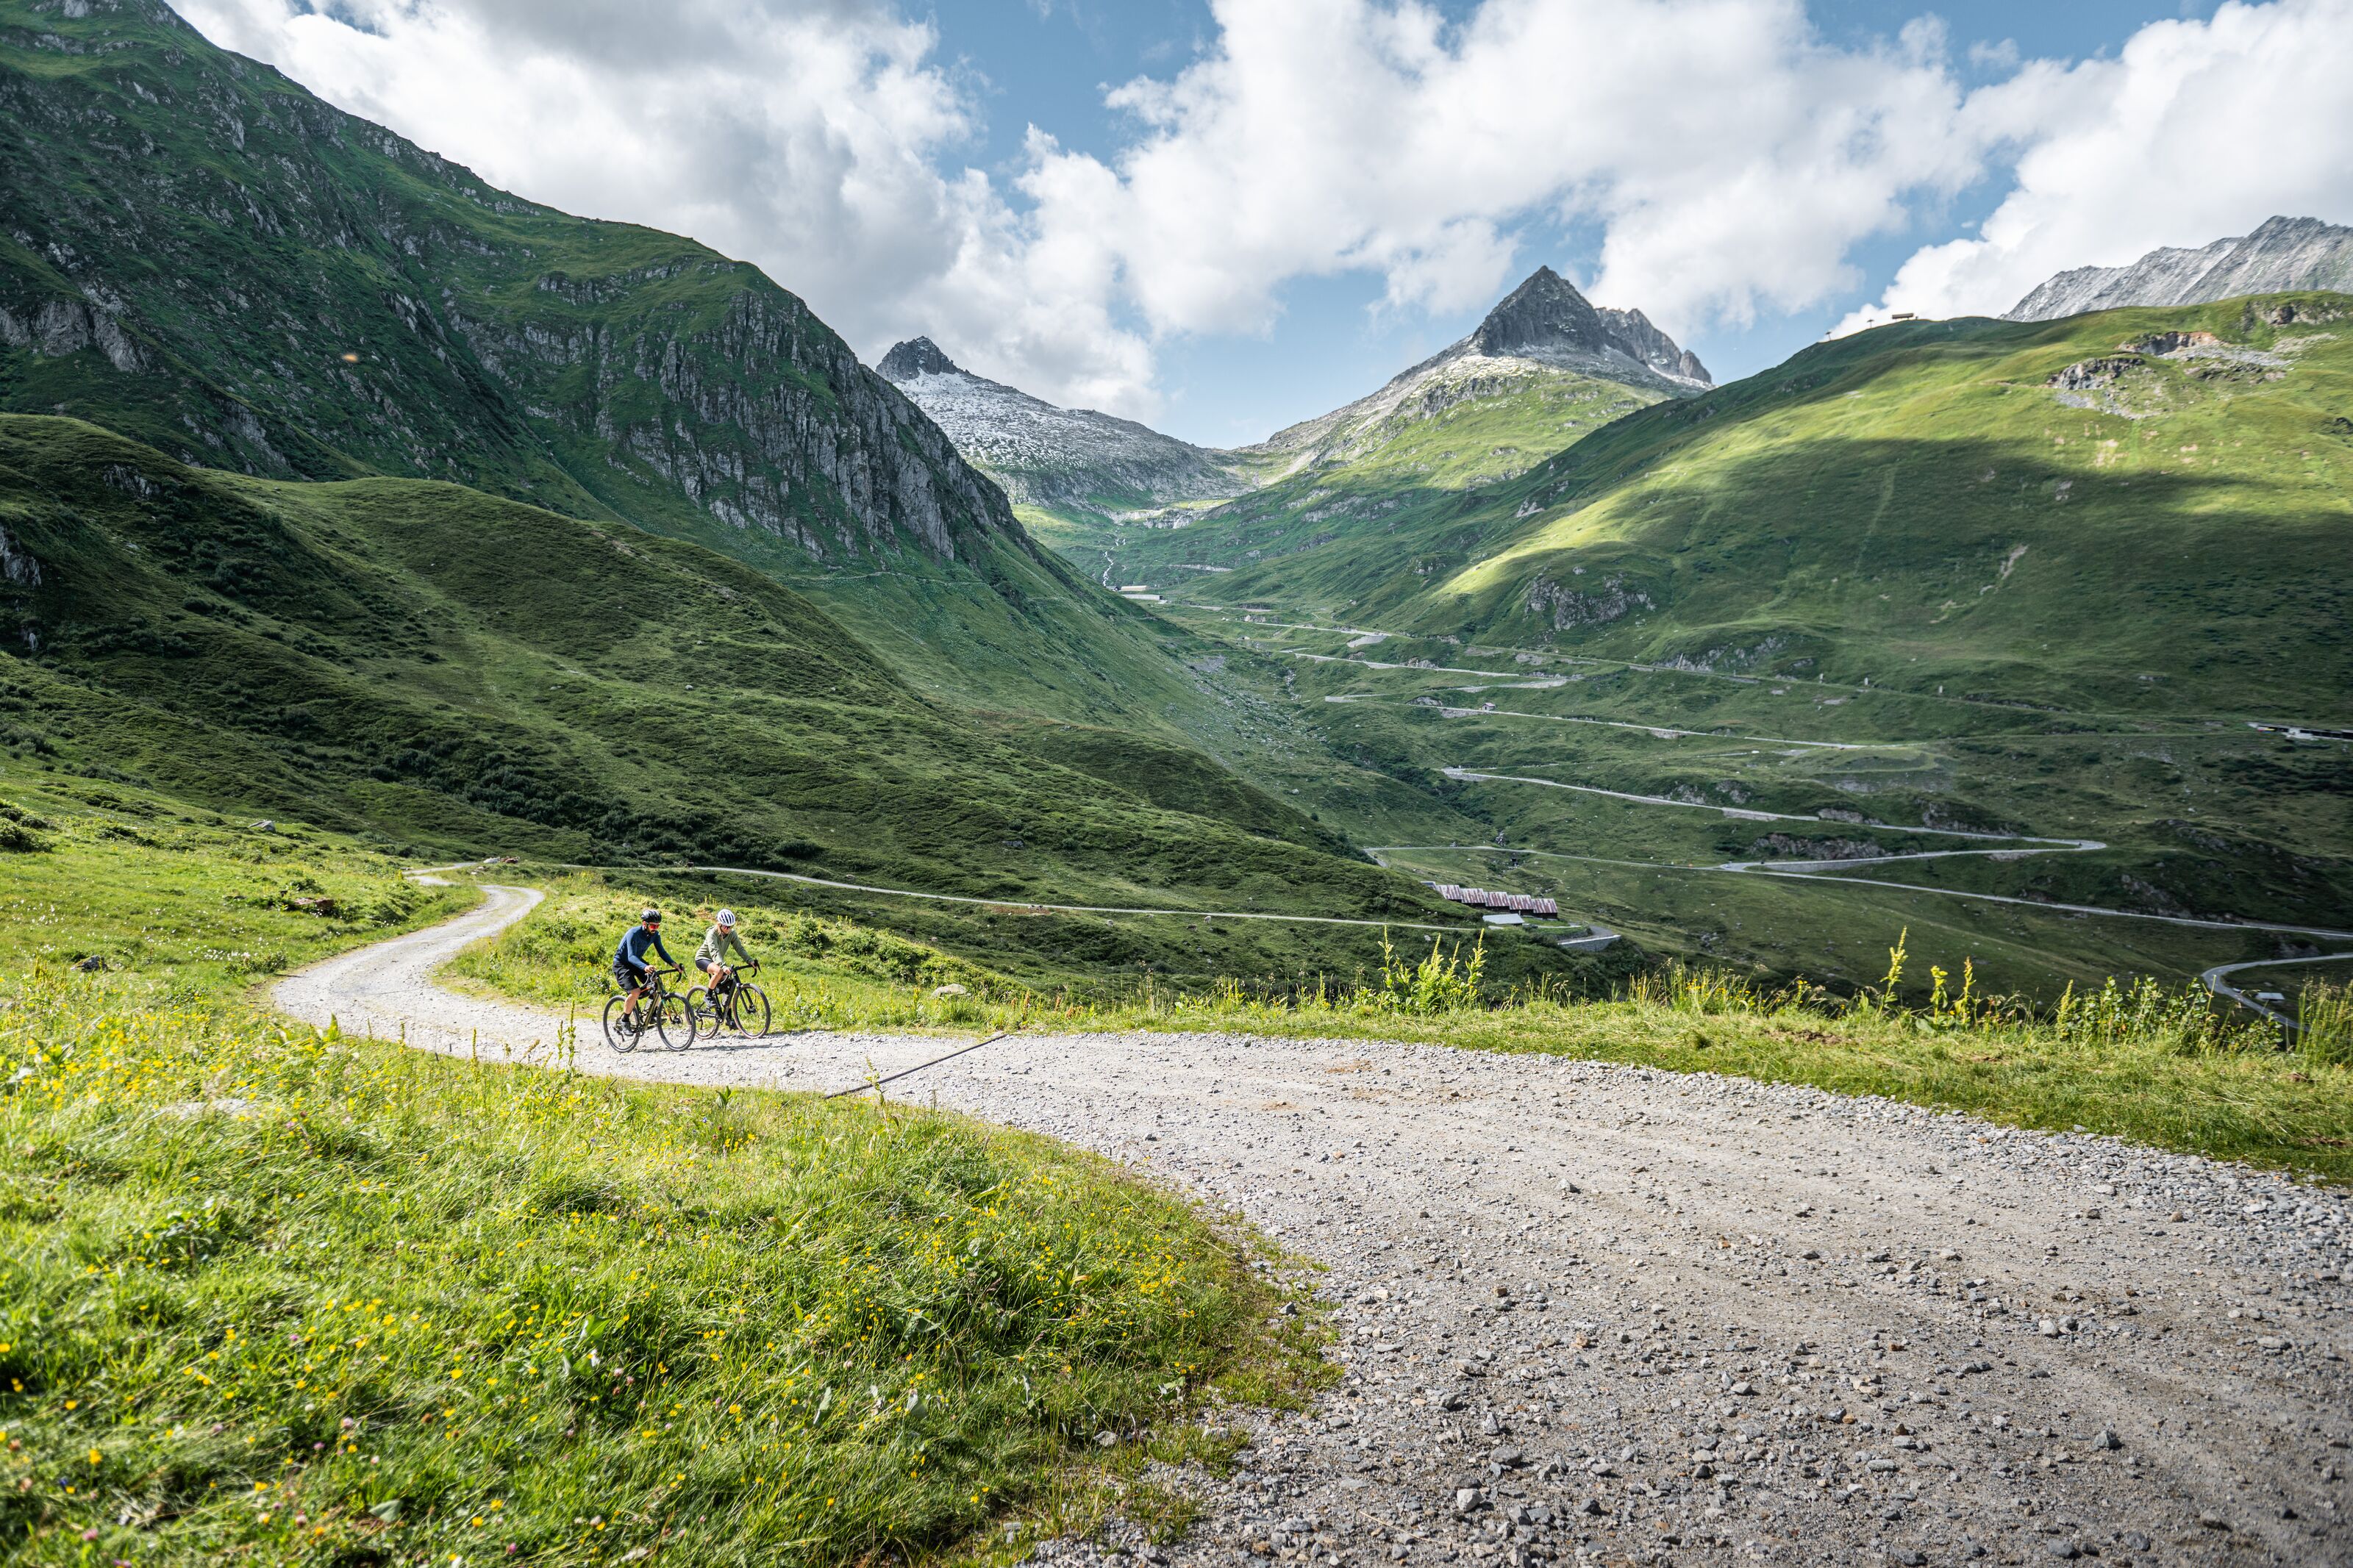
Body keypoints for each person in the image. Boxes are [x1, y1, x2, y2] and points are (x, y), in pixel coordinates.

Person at [612, 908, 676, 1023]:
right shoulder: (633, 933)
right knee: (635, 992)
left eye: (658, 926)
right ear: (645, 924)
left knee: (656, 984)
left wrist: (674, 964)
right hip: (622, 963)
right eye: (653, 926)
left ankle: (651, 1014)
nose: (655, 929)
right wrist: (645, 967)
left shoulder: (655, 935)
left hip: (636, 962)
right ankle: (624, 1020)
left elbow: (662, 952)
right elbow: (631, 956)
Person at [696, 908, 753, 995]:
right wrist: (723, 966)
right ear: (720, 925)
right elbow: (715, 952)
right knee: (719, 971)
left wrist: (750, 961)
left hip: (716, 962)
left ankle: (727, 1008)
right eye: (726, 927)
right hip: (703, 959)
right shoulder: (712, 934)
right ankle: (708, 996)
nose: (728, 929)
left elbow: (740, 948)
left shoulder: (732, 934)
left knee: (729, 987)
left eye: (731, 927)